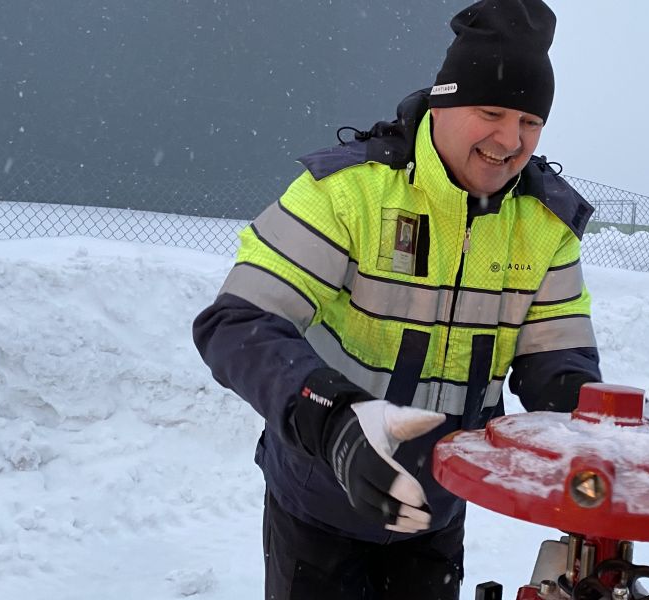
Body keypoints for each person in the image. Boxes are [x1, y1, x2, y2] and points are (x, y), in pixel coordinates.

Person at [192, 0, 601, 597]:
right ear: (446, 102)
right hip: (318, 501)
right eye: (491, 111)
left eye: (529, 122)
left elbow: (557, 362)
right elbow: (237, 322)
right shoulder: (348, 193)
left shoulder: (544, 224)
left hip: (435, 515)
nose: (510, 140)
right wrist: (334, 422)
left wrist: (590, 429)